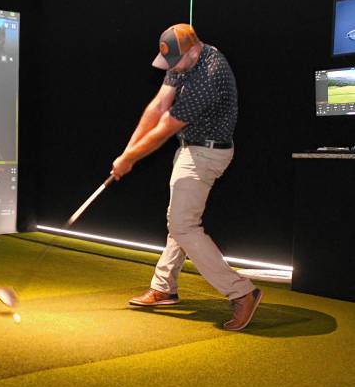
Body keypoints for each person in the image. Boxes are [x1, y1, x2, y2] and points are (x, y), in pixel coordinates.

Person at [110, 23, 262, 331]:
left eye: (175, 62)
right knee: (178, 219)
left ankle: (242, 292)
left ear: (194, 50)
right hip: (191, 148)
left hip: (208, 154)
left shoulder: (210, 75)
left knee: (182, 224)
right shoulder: (183, 60)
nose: (172, 69)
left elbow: (165, 127)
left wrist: (130, 159)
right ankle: (164, 286)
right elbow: (158, 106)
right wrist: (127, 153)